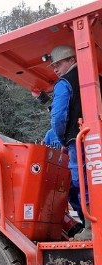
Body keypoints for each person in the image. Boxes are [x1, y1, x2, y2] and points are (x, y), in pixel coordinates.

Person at [48, 44, 91, 240]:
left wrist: (62, 139)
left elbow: (58, 117)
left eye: (58, 64)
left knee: (80, 181)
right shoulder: (92, 80)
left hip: (78, 139)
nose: (55, 69)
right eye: (53, 65)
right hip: (94, 136)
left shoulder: (64, 84)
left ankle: (91, 227)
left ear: (72, 60)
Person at [43, 128, 85, 229]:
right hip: (62, 172)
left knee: (82, 193)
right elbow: (45, 149)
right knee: (72, 197)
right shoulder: (50, 134)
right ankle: (85, 222)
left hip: (77, 169)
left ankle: (89, 223)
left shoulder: (75, 130)